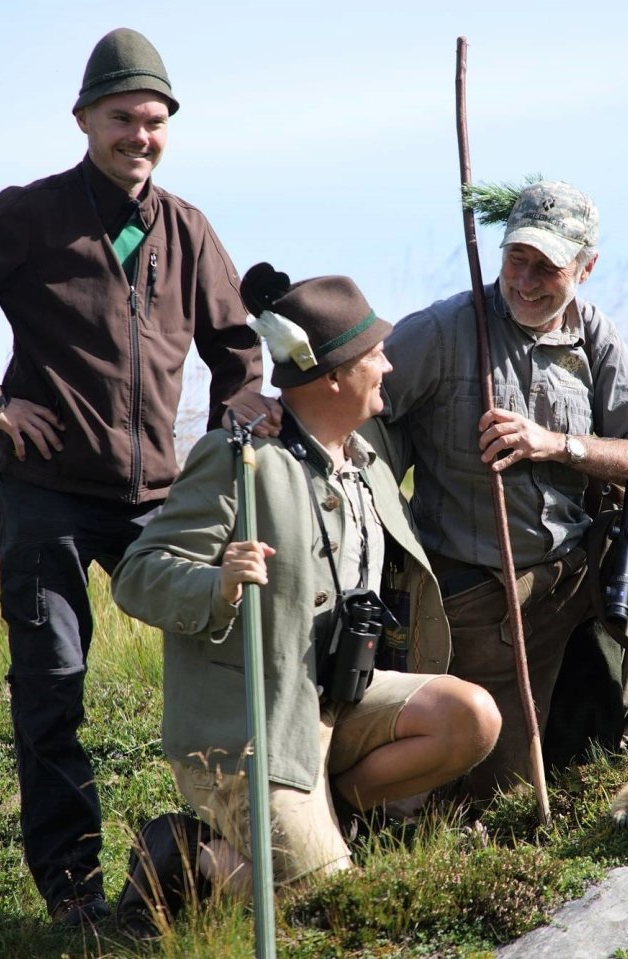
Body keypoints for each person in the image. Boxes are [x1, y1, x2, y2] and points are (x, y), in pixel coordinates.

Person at [0, 28, 265, 926]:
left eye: (156, 119)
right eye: (124, 116)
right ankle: (74, 895)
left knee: (223, 655)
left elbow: (238, 352)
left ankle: (232, 855)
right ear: (84, 119)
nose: (141, 133)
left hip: (157, 505)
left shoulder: (188, 227)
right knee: (52, 686)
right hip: (43, 496)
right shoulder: (32, 213)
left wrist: (223, 446)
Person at [109, 265, 500, 929]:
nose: (387, 363)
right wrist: (217, 582)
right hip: (254, 733)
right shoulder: (238, 458)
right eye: (372, 352)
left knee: (470, 716)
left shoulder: (365, 462)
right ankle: (189, 854)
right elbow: (138, 574)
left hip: (344, 701)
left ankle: (325, 818)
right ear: (334, 376)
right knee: (327, 903)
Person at [379, 179, 628, 803]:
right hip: (485, 595)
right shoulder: (444, 331)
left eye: (548, 268)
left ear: (586, 269)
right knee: (502, 799)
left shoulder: (596, 335)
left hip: (585, 567)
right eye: (517, 260)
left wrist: (558, 444)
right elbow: (361, 413)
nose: (527, 281)